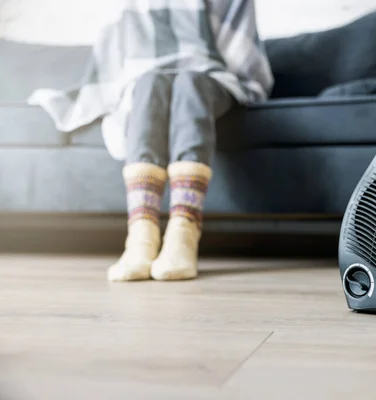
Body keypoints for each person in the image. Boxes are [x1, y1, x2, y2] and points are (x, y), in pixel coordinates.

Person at [28, 0, 273, 281]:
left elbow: (242, 53)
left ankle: (184, 230)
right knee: (148, 84)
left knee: (190, 84)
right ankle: (141, 234)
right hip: (145, 78)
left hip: (210, 78)